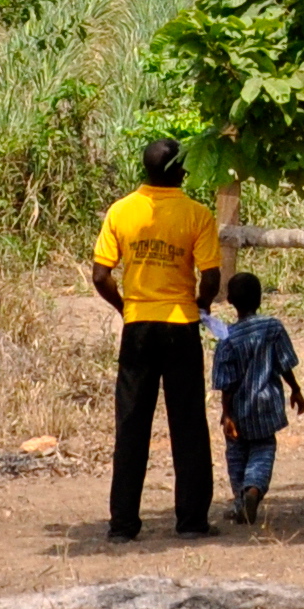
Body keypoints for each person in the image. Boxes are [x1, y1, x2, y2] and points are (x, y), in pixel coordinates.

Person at [91, 136, 225, 543]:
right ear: (182, 171)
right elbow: (213, 277)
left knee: (131, 426)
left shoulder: (121, 211)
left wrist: (125, 307)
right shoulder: (196, 215)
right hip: (180, 325)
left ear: (144, 170)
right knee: (188, 426)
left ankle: (123, 525)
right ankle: (191, 521)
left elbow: (101, 276)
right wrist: (198, 305)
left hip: (138, 328)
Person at [211, 269, 301, 527]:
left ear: (229, 301)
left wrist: (227, 414)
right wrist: (295, 389)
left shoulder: (227, 338)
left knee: (236, 454)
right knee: (263, 449)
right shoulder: (272, 327)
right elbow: (284, 364)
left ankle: (241, 501)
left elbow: (225, 383)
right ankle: (253, 491)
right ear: (260, 299)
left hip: (239, 408)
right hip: (267, 404)